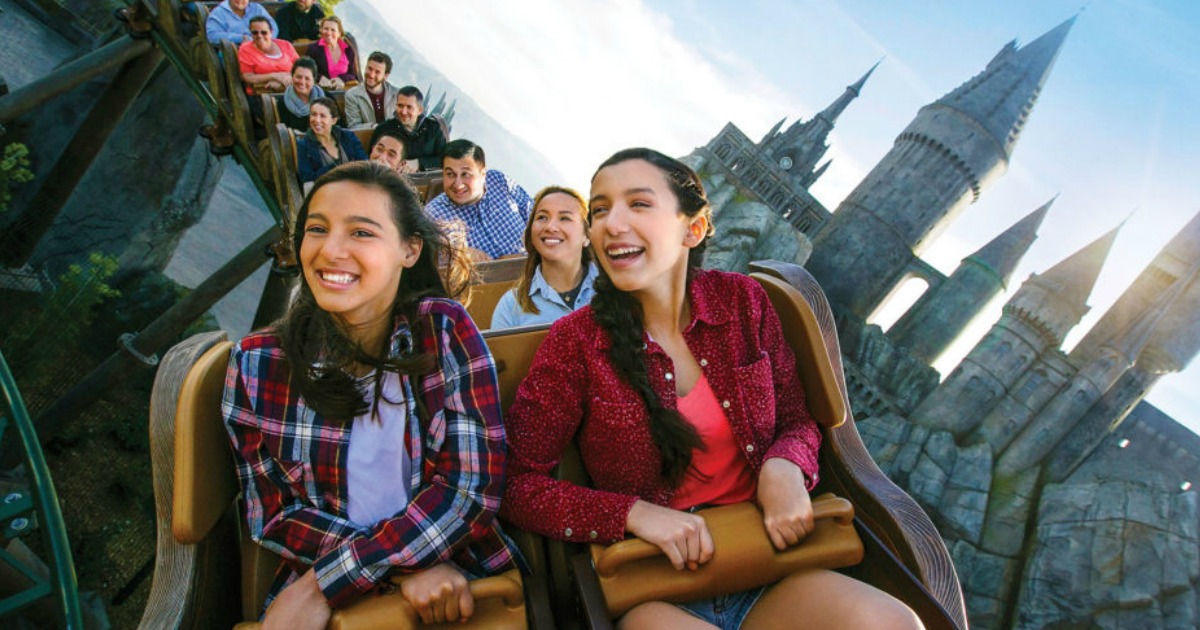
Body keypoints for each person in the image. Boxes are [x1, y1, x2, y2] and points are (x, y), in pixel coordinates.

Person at [500, 148, 924, 630]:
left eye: (638, 204)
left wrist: (785, 466)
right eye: (599, 210)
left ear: (693, 229)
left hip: (766, 560)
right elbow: (517, 483)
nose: (611, 224)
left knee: (893, 622)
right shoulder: (575, 342)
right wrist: (632, 514)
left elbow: (796, 420)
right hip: (658, 587)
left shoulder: (745, 304)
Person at [223, 162, 521, 628]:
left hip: (459, 576)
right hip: (336, 595)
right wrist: (398, 572)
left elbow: (470, 492)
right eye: (316, 229)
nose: (331, 249)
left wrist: (332, 579)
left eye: (361, 233)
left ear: (409, 249)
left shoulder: (442, 331)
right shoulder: (257, 365)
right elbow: (275, 513)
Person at [491, 186, 599, 329]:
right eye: (542, 217)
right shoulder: (511, 306)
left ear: (587, 235)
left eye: (564, 218)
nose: (550, 227)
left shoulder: (616, 289)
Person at [424, 140, 532, 261]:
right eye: (450, 174)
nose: (458, 184)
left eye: (465, 174)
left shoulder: (499, 181)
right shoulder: (434, 214)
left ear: (483, 174)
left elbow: (534, 217)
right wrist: (457, 255)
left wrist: (525, 257)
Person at [368, 86, 447, 173]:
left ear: (420, 110)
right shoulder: (383, 129)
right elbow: (371, 158)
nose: (404, 112)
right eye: (400, 106)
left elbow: (446, 158)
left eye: (409, 107)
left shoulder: (433, 128)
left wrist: (419, 163)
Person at [296, 97, 368, 187]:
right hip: (325, 192)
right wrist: (338, 168)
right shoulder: (303, 145)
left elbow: (364, 164)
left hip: (355, 187)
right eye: (313, 114)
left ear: (333, 120)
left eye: (322, 116)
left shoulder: (348, 136)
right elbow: (307, 177)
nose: (316, 120)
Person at [237, 16, 299, 95]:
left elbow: (300, 68)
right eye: (255, 33)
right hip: (260, 93)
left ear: (271, 32)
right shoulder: (245, 49)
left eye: (264, 32)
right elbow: (247, 77)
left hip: (290, 89)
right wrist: (274, 76)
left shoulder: (286, 45)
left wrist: (283, 80)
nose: (259, 35)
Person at [343, 52, 400, 129]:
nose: (372, 75)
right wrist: (374, 127)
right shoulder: (352, 95)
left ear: (385, 76)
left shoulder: (397, 95)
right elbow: (353, 127)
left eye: (377, 72)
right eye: (370, 69)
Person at [306, 15, 359, 91]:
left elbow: (353, 75)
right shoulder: (313, 49)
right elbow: (307, 70)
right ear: (321, 30)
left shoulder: (348, 50)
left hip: (343, 91)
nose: (328, 33)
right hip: (321, 91)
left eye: (333, 30)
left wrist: (341, 79)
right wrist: (320, 78)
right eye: (326, 29)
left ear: (339, 33)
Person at [278, 58, 325, 132]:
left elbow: (338, 127)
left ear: (314, 81)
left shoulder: (325, 98)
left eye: (307, 78)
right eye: (298, 77)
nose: (302, 82)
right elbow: (284, 135)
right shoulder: (283, 102)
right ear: (292, 77)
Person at [206, 0, 275, 46]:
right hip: (232, 54)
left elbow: (273, 27)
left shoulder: (257, 9)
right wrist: (241, 38)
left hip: (262, 49)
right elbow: (213, 36)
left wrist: (265, 40)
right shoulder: (218, 12)